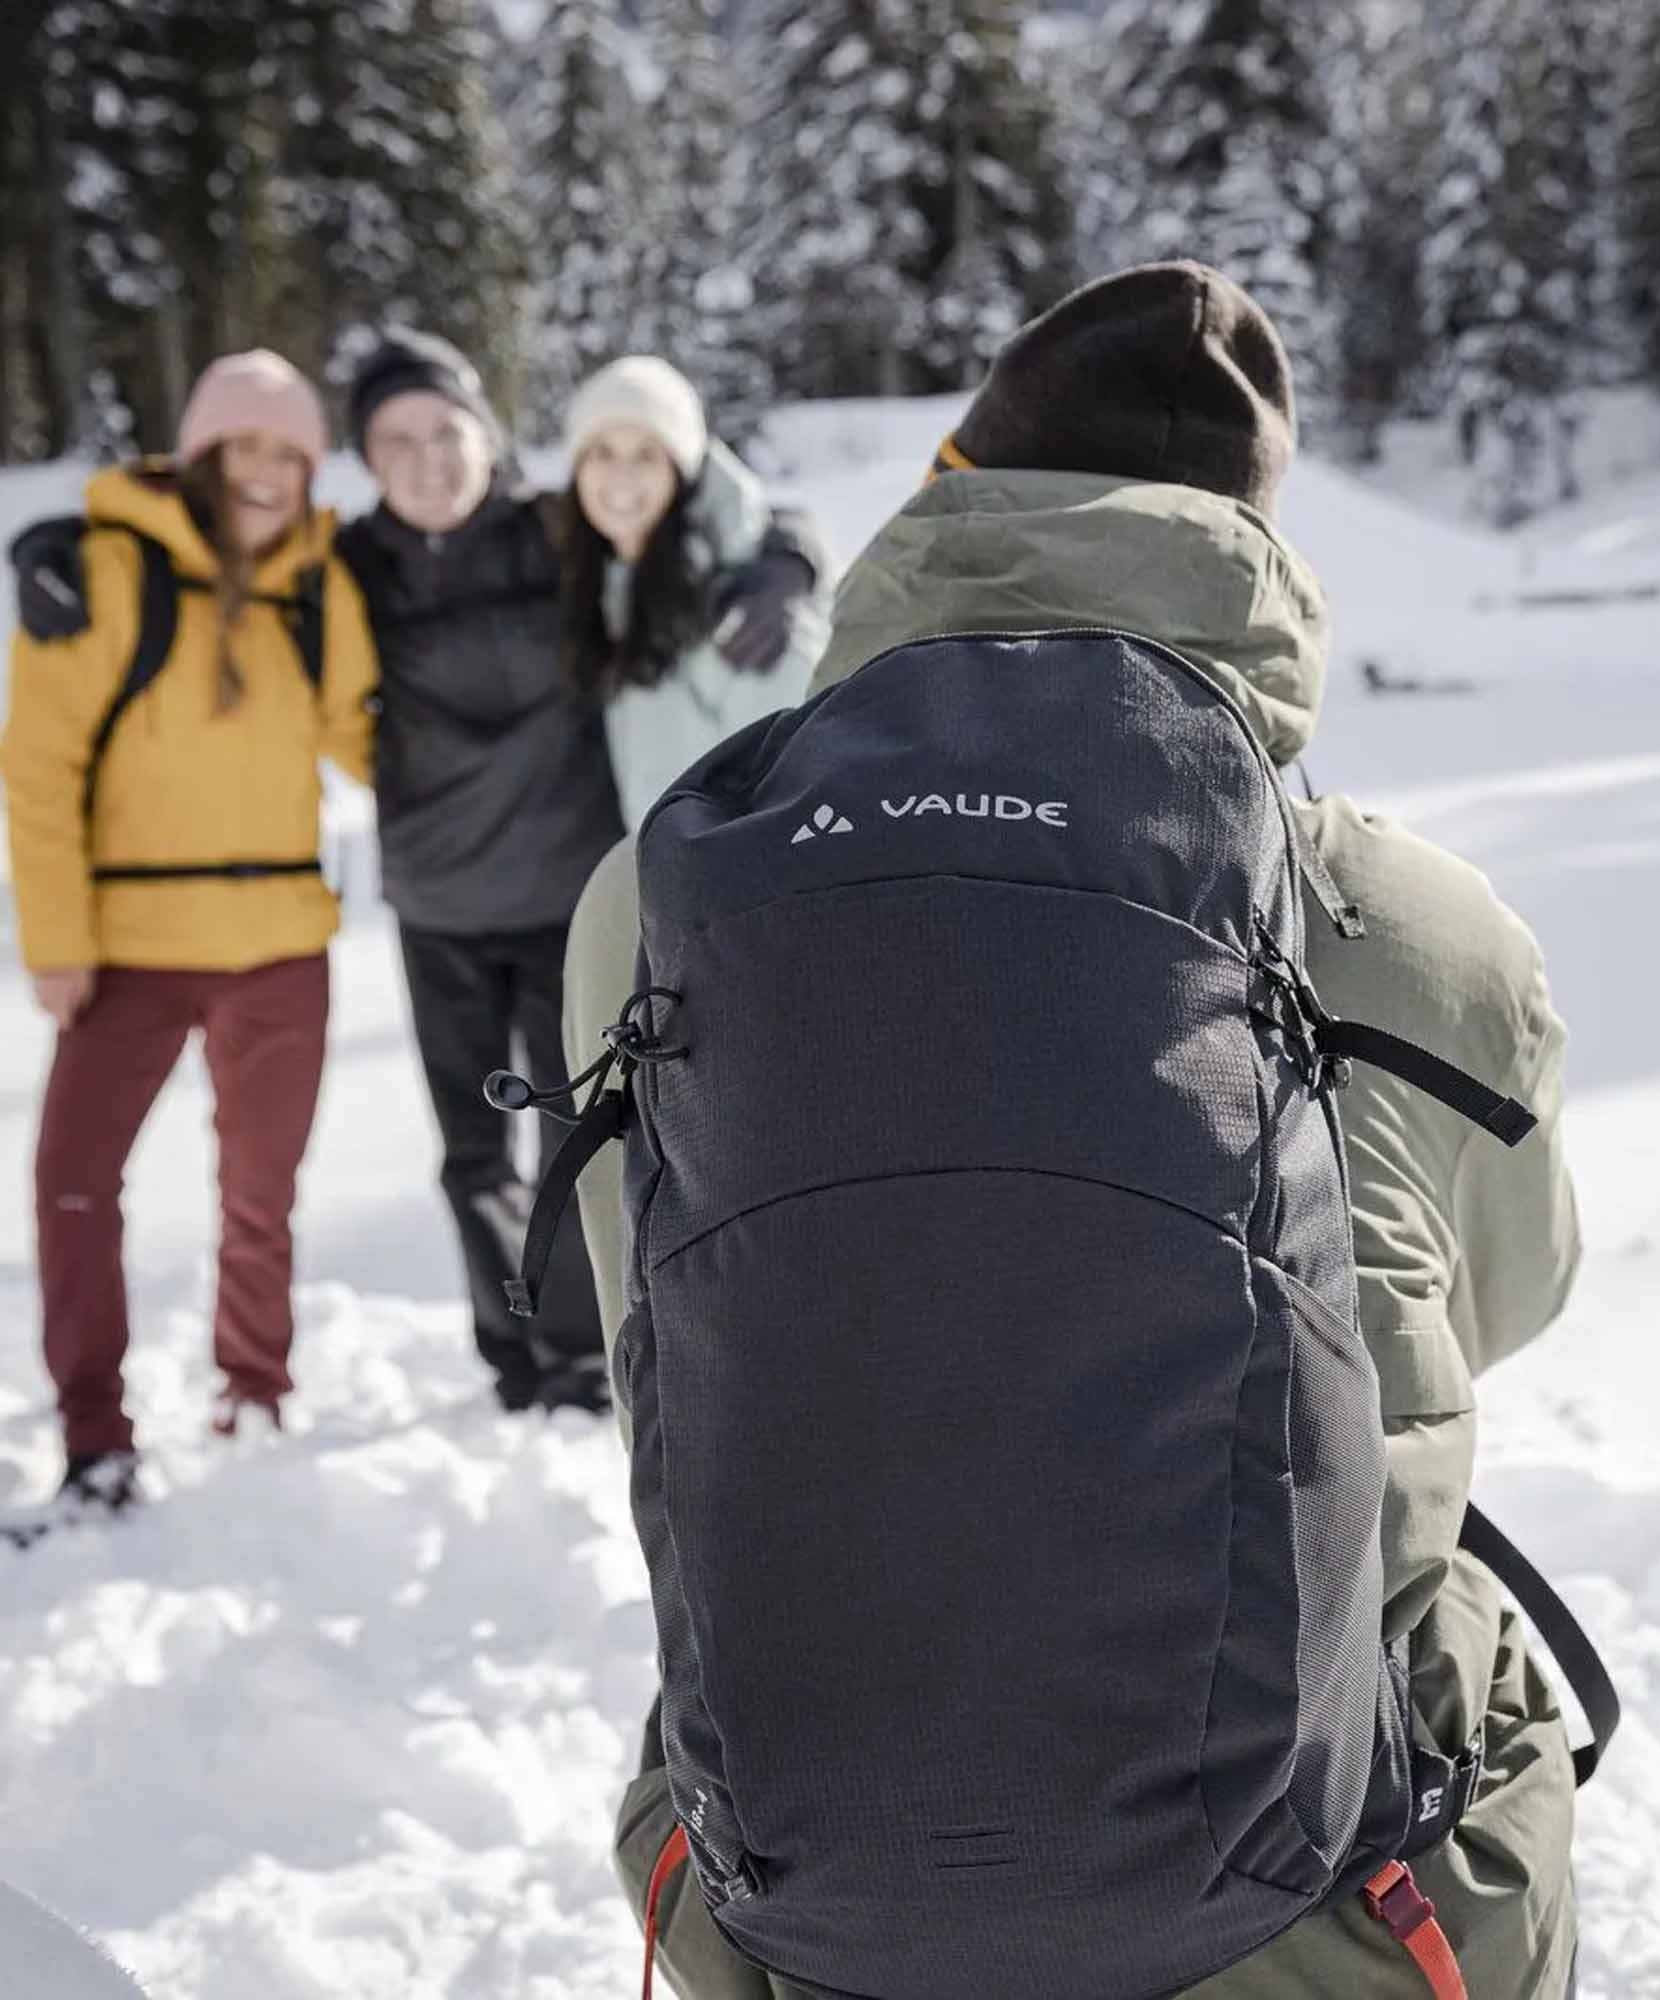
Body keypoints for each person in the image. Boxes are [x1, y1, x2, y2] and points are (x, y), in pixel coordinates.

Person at [567, 265, 1586, 1997]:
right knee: (1461, 1638)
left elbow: (641, 1319)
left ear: (946, 498)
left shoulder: (669, 898)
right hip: (1318, 1898)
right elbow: (1520, 1291)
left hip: (814, 1896)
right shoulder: (1419, 923)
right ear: (1251, 552)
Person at [333, 331, 826, 1415]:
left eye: (444, 431)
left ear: (488, 435)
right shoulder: (349, 562)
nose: (425, 461)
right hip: (437, 898)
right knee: (472, 1152)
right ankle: (513, 1348)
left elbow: (690, 502)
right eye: (393, 441)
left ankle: (578, 1349)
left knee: (579, 1133)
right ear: (364, 459)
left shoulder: (551, 530)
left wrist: (789, 557)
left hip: (569, 890)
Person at [1, 350, 377, 1515]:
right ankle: (94, 1432)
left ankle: (254, 1389)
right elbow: (40, 766)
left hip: (279, 945)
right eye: (243, 447)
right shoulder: (103, 570)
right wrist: (55, 939)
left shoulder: (317, 586)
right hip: (126, 946)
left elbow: (367, 739)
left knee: (261, 1191)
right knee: (73, 1184)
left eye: (289, 453)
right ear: (201, 454)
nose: (265, 472)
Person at [560, 354, 829, 828]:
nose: (621, 476)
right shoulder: (606, 576)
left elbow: (797, 796)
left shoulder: (742, 604)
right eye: (602, 452)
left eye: (647, 455)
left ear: (682, 472)